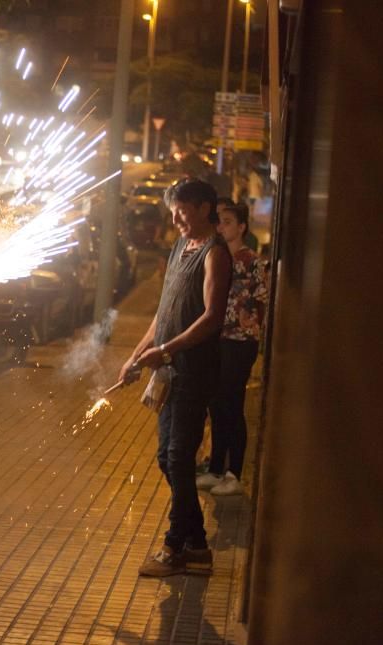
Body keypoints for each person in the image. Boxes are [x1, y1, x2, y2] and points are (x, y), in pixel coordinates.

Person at [119, 178, 232, 578]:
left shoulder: (215, 254)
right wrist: (136, 354)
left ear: (204, 208)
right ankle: (197, 546)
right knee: (167, 457)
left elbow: (210, 318)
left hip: (194, 370)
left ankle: (174, 545)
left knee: (178, 457)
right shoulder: (181, 247)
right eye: (173, 211)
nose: (175, 218)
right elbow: (164, 312)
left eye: (182, 209)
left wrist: (164, 351)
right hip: (169, 369)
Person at [197, 202, 267, 496]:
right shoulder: (217, 257)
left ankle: (233, 472)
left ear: (241, 227)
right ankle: (215, 468)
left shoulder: (251, 261)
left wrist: (246, 325)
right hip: (217, 338)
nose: (221, 227)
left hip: (240, 341)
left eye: (227, 222)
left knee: (231, 403)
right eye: (219, 222)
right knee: (216, 402)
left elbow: (260, 303)